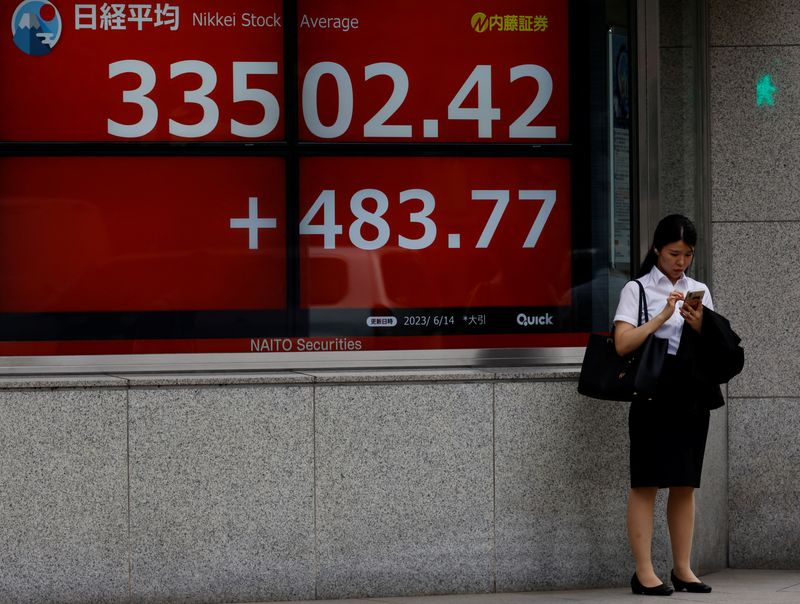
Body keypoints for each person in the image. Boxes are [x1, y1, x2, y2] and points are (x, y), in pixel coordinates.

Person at [613, 214, 715, 596]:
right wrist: (662, 317)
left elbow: (713, 346)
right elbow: (622, 343)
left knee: (685, 483)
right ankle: (644, 572)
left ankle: (683, 569)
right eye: (674, 253)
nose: (681, 262)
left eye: (688, 254)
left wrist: (699, 324)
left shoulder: (699, 289)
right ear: (657, 249)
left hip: (689, 392)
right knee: (646, 482)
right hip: (651, 393)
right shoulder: (636, 289)